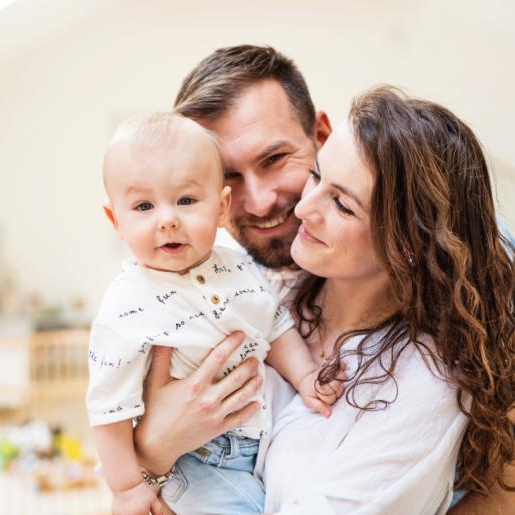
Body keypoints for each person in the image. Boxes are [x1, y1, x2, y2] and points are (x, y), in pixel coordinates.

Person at [133, 46, 515, 513]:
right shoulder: (247, 283)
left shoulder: (478, 291)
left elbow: (501, 488)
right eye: (228, 175)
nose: (261, 202)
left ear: (320, 133)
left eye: (274, 159)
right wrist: (147, 455)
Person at [86, 112, 342, 515]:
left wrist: (307, 375)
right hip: (197, 462)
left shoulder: (238, 268)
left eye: (186, 201)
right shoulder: (124, 308)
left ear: (221, 207)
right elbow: (108, 411)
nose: (167, 219)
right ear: (115, 219)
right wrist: (127, 489)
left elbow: (274, 326)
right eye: (143, 206)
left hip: (259, 443)